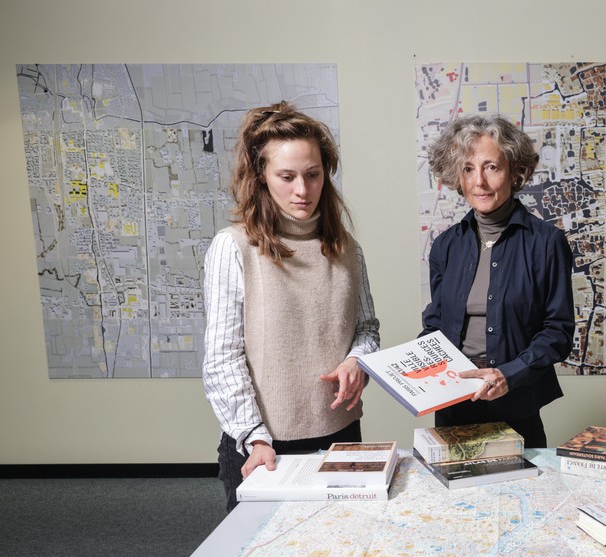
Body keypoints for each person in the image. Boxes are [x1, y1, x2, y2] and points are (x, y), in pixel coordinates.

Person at [203, 102, 380, 512]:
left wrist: (357, 361)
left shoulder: (348, 249)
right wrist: (255, 436)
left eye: (313, 175)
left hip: (340, 437)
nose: (302, 190)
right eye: (287, 177)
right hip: (263, 446)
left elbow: (367, 328)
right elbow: (221, 359)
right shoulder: (233, 248)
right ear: (261, 177)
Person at [421, 115, 574, 448]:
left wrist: (510, 374)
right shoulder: (446, 245)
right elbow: (436, 326)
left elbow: (558, 332)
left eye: (491, 167)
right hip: (452, 404)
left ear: (514, 171)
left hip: (517, 405)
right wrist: (415, 370)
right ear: (456, 177)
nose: (480, 182)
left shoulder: (547, 243)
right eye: (468, 169)